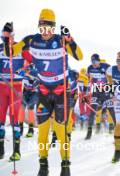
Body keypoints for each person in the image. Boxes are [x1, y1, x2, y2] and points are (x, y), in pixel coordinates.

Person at [4, 9, 83, 176]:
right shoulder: (32, 40)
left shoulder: (60, 40)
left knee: (62, 133)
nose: (45, 32)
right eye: (42, 27)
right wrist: (7, 38)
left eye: (48, 28)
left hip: (61, 92)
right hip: (44, 92)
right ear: (38, 27)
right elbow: (9, 53)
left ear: (53, 28)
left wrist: (70, 40)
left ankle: (65, 166)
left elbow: (79, 56)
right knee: (43, 132)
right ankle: (43, 164)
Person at [0, 22, 25, 161]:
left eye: (7, 36)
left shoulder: (20, 48)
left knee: (15, 120)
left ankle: (17, 151)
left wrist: (23, 69)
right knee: (0, 119)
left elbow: (32, 64)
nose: (5, 39)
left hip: (15, 88)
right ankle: (1, 149)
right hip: (1, 88)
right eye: (3, 36)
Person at [85, 54, 116, 139]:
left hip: (106, 90)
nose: (94, 64)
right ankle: (89, 132)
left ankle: (117, 130)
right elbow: (88, 80)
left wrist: (112, 92)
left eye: (95, 61)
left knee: (111, 110)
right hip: (96, 91)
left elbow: (112, 79)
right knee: (92, 111)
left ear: (99, 61)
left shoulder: (106, 66)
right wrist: (86, 93)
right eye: (92, 62)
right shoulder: (90, 68)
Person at [17, 62, 39, 138]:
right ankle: (20, 128)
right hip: (26, 91)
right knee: (22, 107)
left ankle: (31, 129)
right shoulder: (26, 68)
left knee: (30, 107)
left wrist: (28, 74)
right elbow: (17, 72)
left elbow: (39, 79)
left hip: (35, 92)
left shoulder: (37, 69)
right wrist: (24, 69)